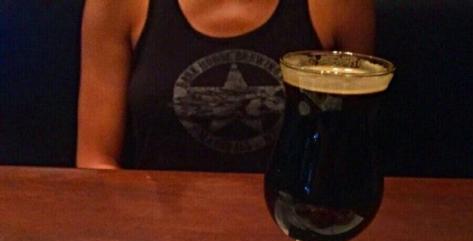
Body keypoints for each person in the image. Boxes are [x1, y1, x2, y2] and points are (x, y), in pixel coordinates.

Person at [77, 0, 375, 172]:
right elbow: (95, 159)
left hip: (294, 229)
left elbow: (355, 150)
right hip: (155, 233)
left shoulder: (339, 5)